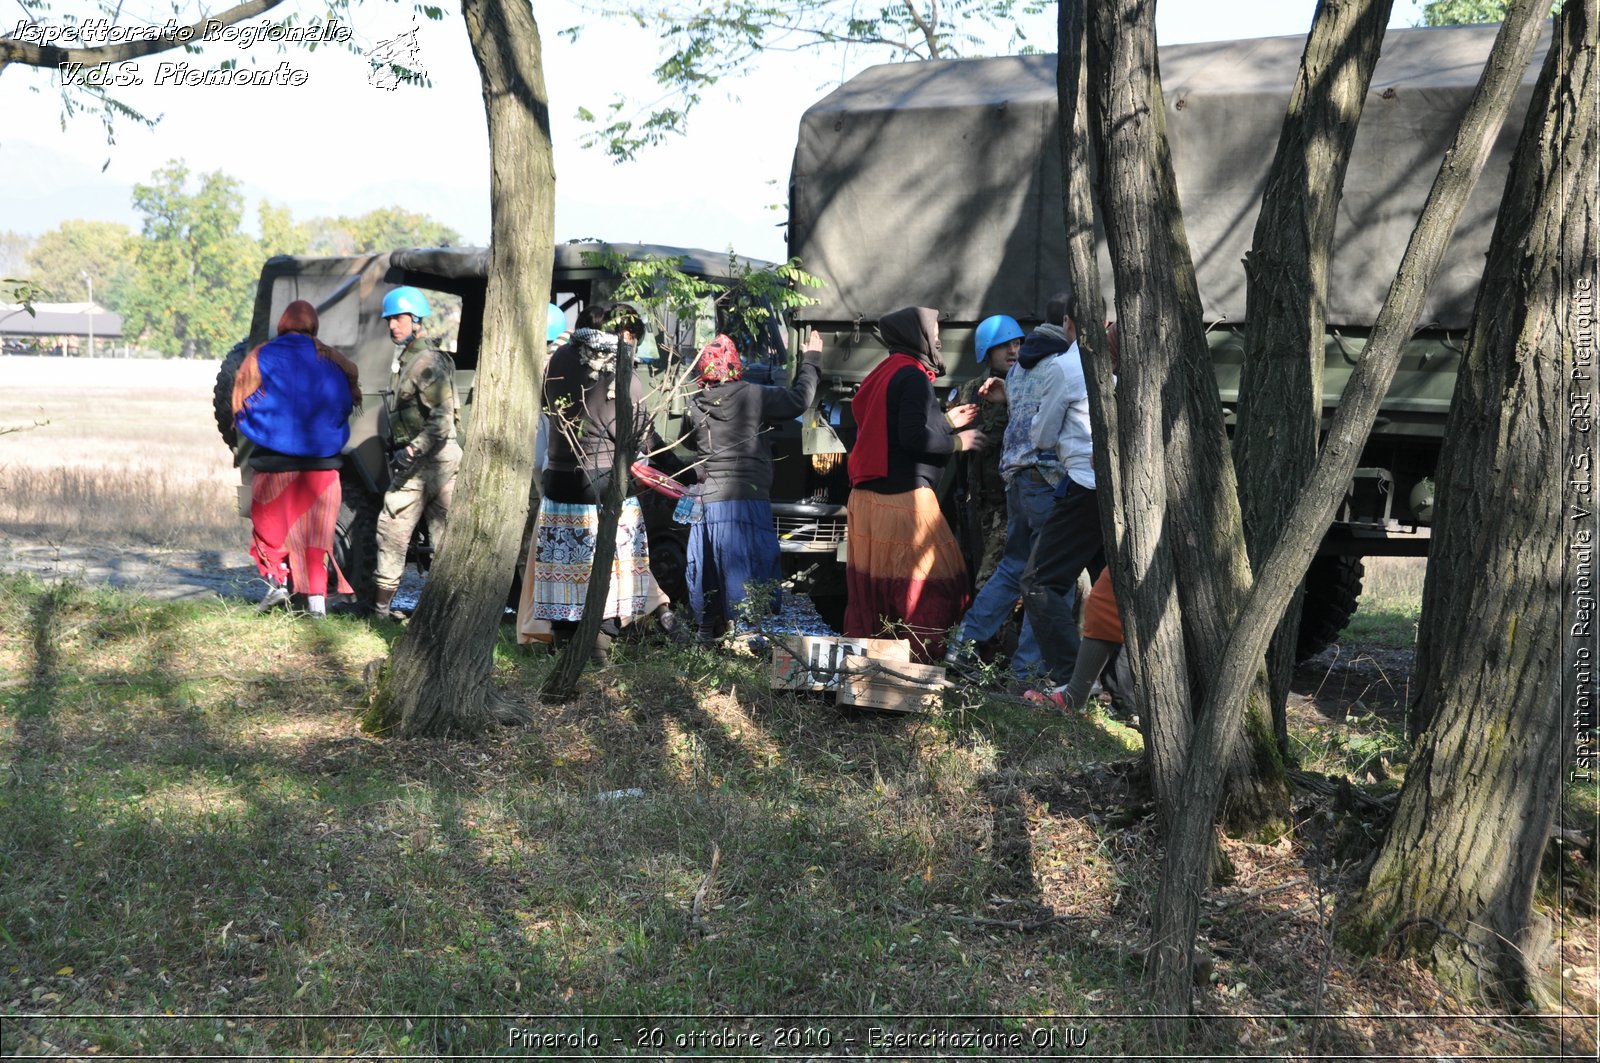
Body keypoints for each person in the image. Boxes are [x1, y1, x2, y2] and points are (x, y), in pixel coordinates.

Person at [520, 310, 676, 661]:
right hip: (603, 487)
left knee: (564, 576)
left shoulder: (558, 358)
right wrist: (671, 463)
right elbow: (630, 436)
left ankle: (564, 652)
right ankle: (598, 655)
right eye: (631, 335)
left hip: (559, 485)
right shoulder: (618, 372)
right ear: (618, 334)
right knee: (608, 576)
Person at [843, 306, 984, 664]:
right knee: (928, 586)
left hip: (867, 501)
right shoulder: (913, 376)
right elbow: (912, 438)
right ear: (916, 334)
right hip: (903, 501)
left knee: (877, 590)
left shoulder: (882, 372)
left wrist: (946, 420)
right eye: (934, 330)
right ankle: (918, 670)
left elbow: (887, 426)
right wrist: (958, 442)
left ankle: (872, 667)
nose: (938, 337)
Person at [683, 328, 824, 642]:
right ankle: (748, 635)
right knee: (750, 565)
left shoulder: (695, 404)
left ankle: (708, 632)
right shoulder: (755, 394)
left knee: (708, 566)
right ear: (735, 363)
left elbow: (691, 441)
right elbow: (799, 400)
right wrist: (811, 362)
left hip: (709, 500)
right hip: (749, 496)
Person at [944, 312, 1056, 683]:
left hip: (1009, 499)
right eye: (1004, 345)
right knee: (1005, 577)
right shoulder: (971, 391)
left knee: (1009, 576)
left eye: (1017, 343)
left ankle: (988, 656)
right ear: (985, 351)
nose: (1014, 350)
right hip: (991, 501)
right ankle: (993, 661)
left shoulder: (1024, 380)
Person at [231, 300, 361, 619]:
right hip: (323, 471)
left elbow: (238, 401)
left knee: (271, 533)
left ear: (283, 324)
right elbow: (347, 401)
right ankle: (317, 607)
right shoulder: (334, 359)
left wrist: (256, 424)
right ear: (313, 325)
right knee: (315, 540)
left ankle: (279, 584)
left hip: (273, 468)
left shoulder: (261, 355)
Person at [1019, 289, 1106, 680]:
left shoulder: (1065, 368)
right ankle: (1126, 694)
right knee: (1114, 592)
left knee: (1039, 583)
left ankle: (1070, 680)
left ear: (1067, 323)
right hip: (1120, 488)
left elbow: (1041, 437)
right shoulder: (1120, 363)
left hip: (1083, 487)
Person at [373, 285, 461, 622]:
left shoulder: (425, 362)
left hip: (428, 463)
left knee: (393, 530)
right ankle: (438, 617)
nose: (392, 325)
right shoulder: (413, 359)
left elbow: (441, 419)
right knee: (443, 540)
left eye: (399, 318)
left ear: (417, 321)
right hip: (434, 461)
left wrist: (411, 450)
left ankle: (383, 614)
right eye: (390, 319)